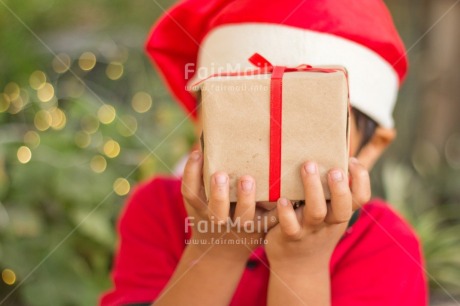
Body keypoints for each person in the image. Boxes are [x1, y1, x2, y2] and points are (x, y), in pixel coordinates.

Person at [100, 0, 428, 305]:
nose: (271, 141)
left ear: (371, 147)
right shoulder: (157, 211)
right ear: (200, 120)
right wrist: (216, 251)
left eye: (308, 121)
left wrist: (301, 266)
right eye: (239, 114)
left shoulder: (388, 246)